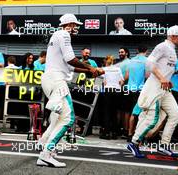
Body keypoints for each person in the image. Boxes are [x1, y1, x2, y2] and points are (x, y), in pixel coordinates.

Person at [36, 13, 103, 167]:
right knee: (68, 118)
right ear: (69, 25)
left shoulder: (57, 35)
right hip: (57, 80)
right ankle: (46, 154)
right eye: (75, 25)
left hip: (51, 79)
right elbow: (70, 59)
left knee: (57, 117)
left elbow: (71, 66)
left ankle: (44, 142)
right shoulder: (64, 34)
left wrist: (91, 71)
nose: (76, 29)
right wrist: (91, 67)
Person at [127, 25, 178, 158]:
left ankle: (163, 145)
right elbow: (149, 63)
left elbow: (164, 68)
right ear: (173, 36)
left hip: (165, 89)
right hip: (154, 88)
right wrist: (162, 78)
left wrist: (167, 79)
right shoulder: (163, 46)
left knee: (175, 114)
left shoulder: (171, 49)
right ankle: (134, 142)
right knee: (152, 119)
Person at [125, 46, 149, 142]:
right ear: (146, 51)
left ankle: (129, 134)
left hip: (130, 89)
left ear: (137, 50)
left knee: (131, 112)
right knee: (139, 113)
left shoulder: (130, 61)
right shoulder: (147, 61)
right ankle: (136, 135)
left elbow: (126, 76)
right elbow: (147, 75)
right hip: (140, 90)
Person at [100, 55, 124, 140]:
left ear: (106, 61)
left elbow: (103, 82)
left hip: (108, 91)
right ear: (113, 61)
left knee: (107, 112)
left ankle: (106, 133)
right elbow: (122, 81)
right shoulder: (118, 69)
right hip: (117, 91)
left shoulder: (104, 69)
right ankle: (114, 133)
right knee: (115, 112)